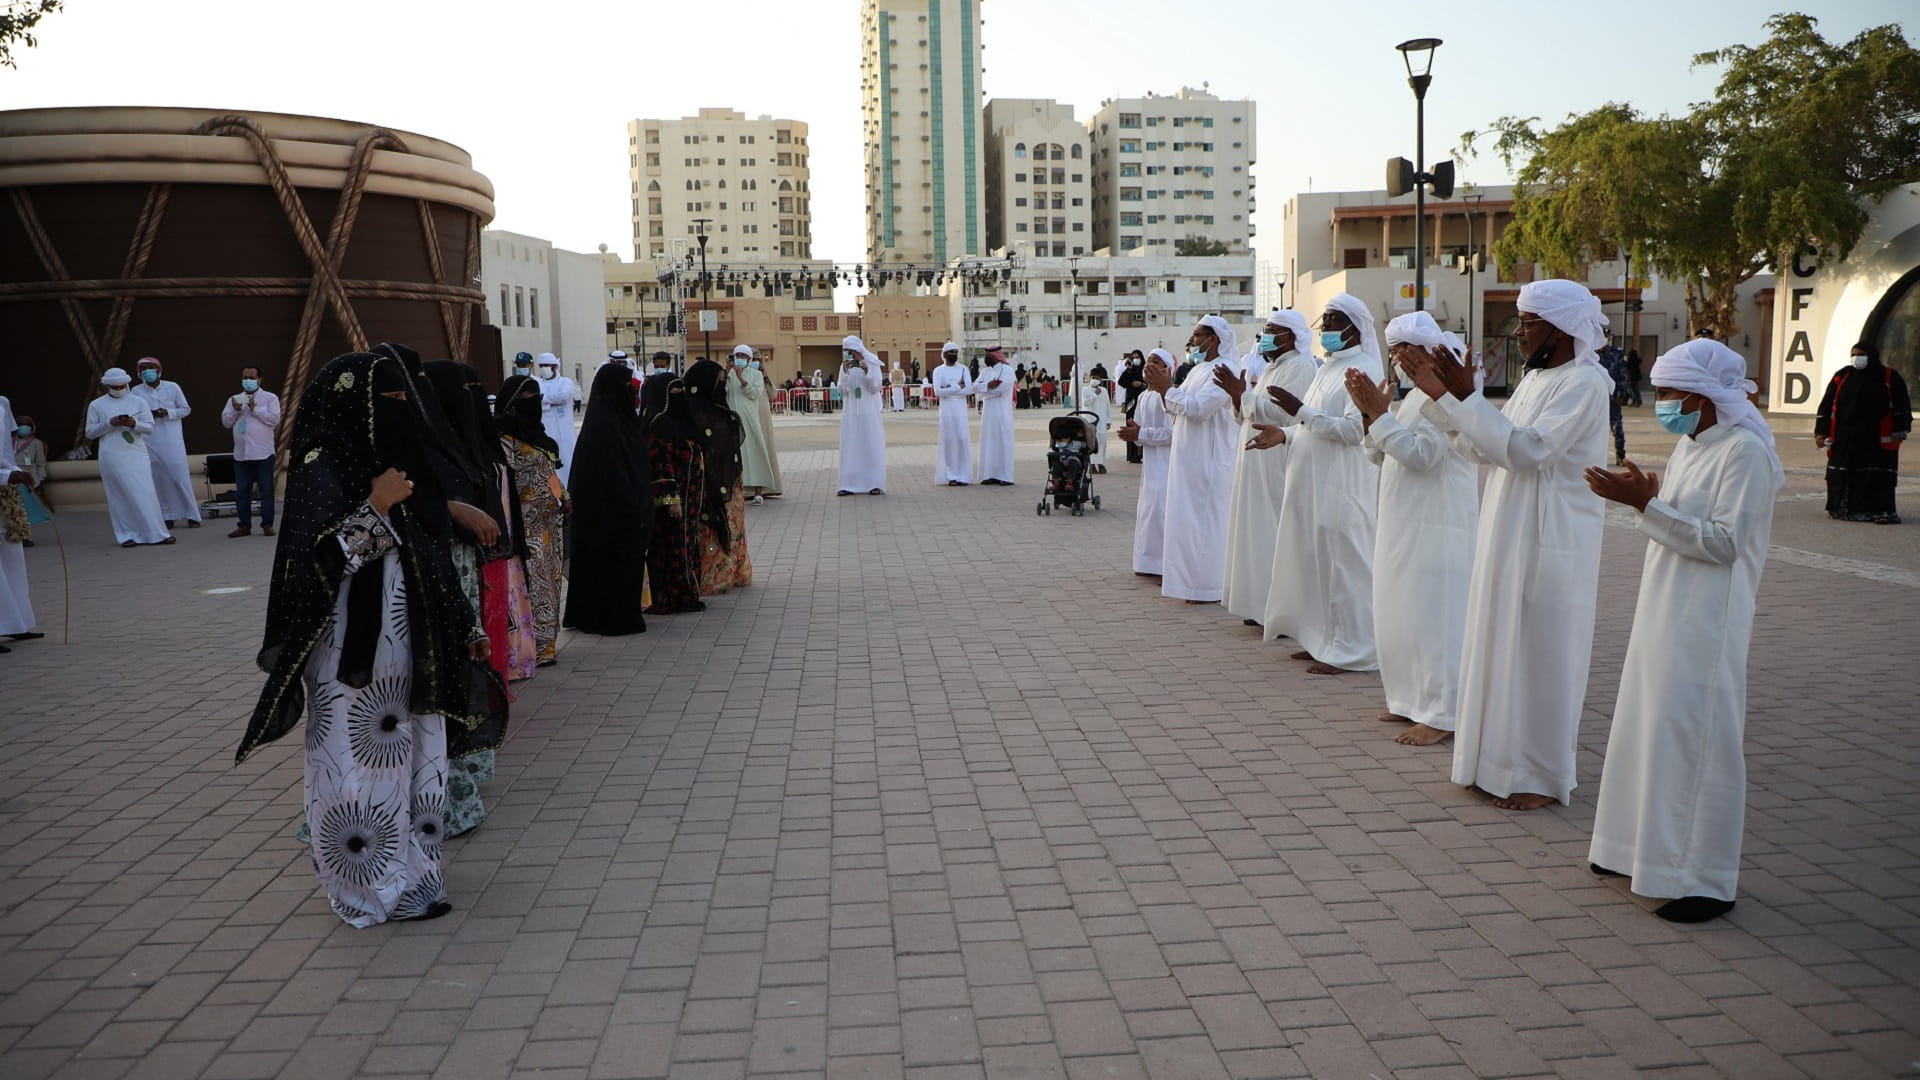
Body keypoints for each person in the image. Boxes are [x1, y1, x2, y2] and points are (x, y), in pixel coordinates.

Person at [237, 348, 505, 927]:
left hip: (412, 650)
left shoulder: (401, 468)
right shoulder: (322, 468)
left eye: (407, 399)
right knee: (357, 769)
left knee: (419, 763)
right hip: (348, 662)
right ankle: (365, 887)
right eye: (390, 401)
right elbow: (316, 569)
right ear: (352, 407)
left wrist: (466, 626)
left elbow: (430, 556)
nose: (403, 410)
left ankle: (416, 880)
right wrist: (376, 507)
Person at [1585, 338, 1783, 923]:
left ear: (1707, 396)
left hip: (1707, 617)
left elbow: (1725, 543)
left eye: (1672, 394)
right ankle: (1629, 848)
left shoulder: (1744, 452)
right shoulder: (1695, 444)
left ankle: (1700, 878)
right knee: (1648, 724)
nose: (1662, 403)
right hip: (1665, 606)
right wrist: (1645, 504)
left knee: (1694, 736)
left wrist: (1645, 507)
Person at [1399, 279, 1612, 811]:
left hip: (1550, 535)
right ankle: (1492, 762)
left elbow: (1527, 451)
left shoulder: (1585, 383)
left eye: (1529, 322)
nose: (1518, 333)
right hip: (1507, 525)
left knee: (1543, 652)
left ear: (1562, 328)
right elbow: (1484, 446)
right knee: (1500, 642)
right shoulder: (1536, 380)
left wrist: (1463, 398)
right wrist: (1449, 403)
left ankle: (1540, 774)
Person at [1349, 312, 1478, 743]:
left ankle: (1442, 713)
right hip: (1403, 522)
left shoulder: (1446, 398)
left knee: (1434, 615)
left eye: (1406, 349)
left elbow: (1423, 456)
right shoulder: (1410, 400)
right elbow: (1380, 453)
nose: (1399, 358)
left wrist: (1378, 417)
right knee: (1401, 610)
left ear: (1431, 353)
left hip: (1436, 525)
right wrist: (1373, 418)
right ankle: (1408, 700)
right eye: (1394, 350)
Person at [1259, 294, 1384, 674]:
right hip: (1310, 482)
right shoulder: (1327, 368)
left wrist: (1300, 412)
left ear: (1354, 328)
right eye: (1324, 322)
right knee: (1316, 563)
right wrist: (1285, 434)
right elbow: (1309, 425)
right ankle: (1322, 642)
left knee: (1345, 567)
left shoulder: (1363, 370)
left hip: (1341, 484)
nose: (1326, 329)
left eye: (1333, 321)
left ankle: (1353, 651)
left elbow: (1351, 430)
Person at [1220, 310, 1316, 626]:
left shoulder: (1300, 367)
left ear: (1290, 336)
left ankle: (1278, 609)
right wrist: (1239, 398)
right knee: (1255, 531)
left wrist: (1243, 395)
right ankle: (1259, 604)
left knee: (1272, 531)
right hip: (1254, 461)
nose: (1266, 334)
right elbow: (1246, 414)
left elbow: (1285, 416)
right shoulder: (1274, 368)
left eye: (1272, 329)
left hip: (1276, 459)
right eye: (1265, 328)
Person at [1150, 315, 1240, 604]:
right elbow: (1178, 406)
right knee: (1187, 523)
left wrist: (1167, 389)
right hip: (1188, 457)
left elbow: (1200, 409)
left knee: (1206, 523)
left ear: (1214, 339)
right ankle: (1191, 584)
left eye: (1198, 335)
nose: (1192, 341)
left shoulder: (1225, 370)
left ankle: (1208, 587)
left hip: (1208, 459)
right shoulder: (1199, 370)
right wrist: (1165, 390)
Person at [563, 364, 652, 635]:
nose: (632, 392)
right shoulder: (603, 430)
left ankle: (604, 613)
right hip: (610, 518)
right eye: (627, 386)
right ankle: (609, 617)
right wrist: (631, 510)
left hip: (621, 513)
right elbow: (609, 480)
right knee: (609, 567)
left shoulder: (620, 422)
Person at [494, 374, 567, 666]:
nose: (534, 402)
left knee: (550, 581)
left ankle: (548, 644)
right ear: (512, 403)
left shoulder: (537, 434)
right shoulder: (503, 437)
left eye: (537, 396)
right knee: (533, 583)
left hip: (550, 523)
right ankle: (531, 646)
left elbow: (549, 472)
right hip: (525, 524)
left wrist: (565, 495)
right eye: (527, 397)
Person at [1816, 341, 1910, 524]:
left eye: (1860, 355)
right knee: (1843, 472)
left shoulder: (1889, 376)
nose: (1856, 359)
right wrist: (1820, 432)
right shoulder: (1843, 376)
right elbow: (1827, 405)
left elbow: (1901, 404)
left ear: (1872, 356)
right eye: (1853, 355)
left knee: (1877, 475)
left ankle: (1882, 512)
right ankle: (1842, 509)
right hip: (1846, 436)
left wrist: (1901, 428)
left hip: (1877, 436)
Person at [640, 372, 707, 615]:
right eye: (674, 392)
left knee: (687, 544)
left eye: (682, 390)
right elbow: (661, 464)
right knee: (670, 547)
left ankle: (687, 591)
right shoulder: (658, 424)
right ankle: (670, 595)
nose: (680, 396)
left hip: (690, 499)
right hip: (672, 503)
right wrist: (671, 500)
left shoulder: (681, 421)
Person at [685, 358, 753, 593]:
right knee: (710, 528)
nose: (722, 387)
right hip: (703, 484)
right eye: (718, 382)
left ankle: (735, 572)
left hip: (729, 480)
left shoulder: (721, 412)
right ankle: (713, 577)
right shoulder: (689, 415)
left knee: (732, 526)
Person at [86, 368, 172, 547]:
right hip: (112, 456)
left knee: (146, 493)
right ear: (107, 386)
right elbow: (90, 433)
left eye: (121, 386)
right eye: (114, 386)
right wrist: (109, 424)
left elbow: (150, 427)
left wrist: (134, 424)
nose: (118, 389)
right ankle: (126, 535)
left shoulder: (138, 401)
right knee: (120, 496)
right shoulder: (96, 405)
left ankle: (158, 533)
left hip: (136, 454)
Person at [1116, 350, 1176, 577]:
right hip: (1150, 464)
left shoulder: (1171, 395)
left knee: (1162, 511)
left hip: (1167, 463)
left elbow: (1172, 433)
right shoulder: (1143, 396)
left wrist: (1142, 434)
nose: (1150, 364)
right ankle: (1147, 563)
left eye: (1156, 361)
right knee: (1148, 512)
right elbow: (1139, 429)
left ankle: (1165, 566)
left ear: (1166, 368)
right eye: (1149, 360)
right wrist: (1132, 433)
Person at [131, 357, 201, 529]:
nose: (148, 371)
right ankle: (167, 516)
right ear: (139, 373)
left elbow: (185, 409)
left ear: (159, 370)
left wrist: (167, 412)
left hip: (172, 440)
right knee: (159, 480)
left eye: (151, 368)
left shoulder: (172, 387)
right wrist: (148, 414)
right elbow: (133, 413)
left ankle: (192, 514)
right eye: (144, 368)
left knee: (179, 477)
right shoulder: (136, 391)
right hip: (149, 440)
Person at [221, 366, 282, 538]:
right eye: (244, 377)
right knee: (242, 492)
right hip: (242, 454)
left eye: (251, 377)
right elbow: (226, 422)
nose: (247, 381)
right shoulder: (234, 399)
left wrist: (255, 409)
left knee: (266, 491)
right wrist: (236, 409)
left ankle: (267, 525)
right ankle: (244, 526)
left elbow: (275, 419)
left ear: (260, 379)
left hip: (263, 453)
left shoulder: (270, 398)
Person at [0, 395, 40, 651]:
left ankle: (17, 623)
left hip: (3, 486)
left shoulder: (1, 403)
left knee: (12, 556)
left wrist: (11, 472)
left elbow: (4, 450)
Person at [836, 336, 887, 495]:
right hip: (851, 412)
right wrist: (844, 373)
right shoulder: (844, 367)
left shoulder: (873, 363)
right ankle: (849, 484)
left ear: (857, 350)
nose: (848, 355)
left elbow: (875, 387)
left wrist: (867, 371)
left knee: (870, 444)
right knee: (851, 445)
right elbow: (841, 390)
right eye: (845, 352)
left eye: (849, 351)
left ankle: (874, 483)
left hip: (869, 412)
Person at [729, 346, 777, 505]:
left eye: (743, 355)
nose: (740, 358)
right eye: (738, 355)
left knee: (756, 452)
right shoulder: (729, 374)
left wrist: (742, 379)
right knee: (738, 457)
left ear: (749, 359)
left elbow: (754, 394)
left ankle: (759, 491)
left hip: (750, 419)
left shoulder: (756, 375)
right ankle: (738, 492)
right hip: (734, 420)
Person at [932, 343, 975, 486]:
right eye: (951, 352)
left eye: (956, 352)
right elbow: (937, 392)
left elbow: (969, 389)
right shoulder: (938, 371)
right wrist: (956, 387)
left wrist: (949, 391)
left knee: (962, 439)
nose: (953, 354)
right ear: (944, 354)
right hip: (946, 412)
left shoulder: (963, 369)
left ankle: (963, 475)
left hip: (961, 411)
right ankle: (952, 476)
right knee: (949, 441)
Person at [536, 353, 581, 485]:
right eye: (542, 366)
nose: (544, 368)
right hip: (547, 434)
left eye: (547, 365)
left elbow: (563, 395)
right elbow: (537, 400)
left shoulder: (565, 382)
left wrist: (544, 399)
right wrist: (550, 400)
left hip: (565, 435)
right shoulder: (537, 383)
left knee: (568, 465)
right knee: (551, 470)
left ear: (555, 366)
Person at [975, 345, 1017, 485]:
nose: (987, 357)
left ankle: (1005, 476)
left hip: (1002, 413)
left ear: (996, 356)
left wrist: (985, 391)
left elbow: (1002, 389)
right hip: (987, 414)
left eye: (989, 355)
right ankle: (989, 474)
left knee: (1002, 442)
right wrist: (988, 386)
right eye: (986, 355)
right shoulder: (985, 371)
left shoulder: (1008, 370)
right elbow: (975, 387)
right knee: (988, 442)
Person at [748, 356, 783, 498]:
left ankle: (769, 487)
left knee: (767, 449)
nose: (757, 362)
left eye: (759, 359)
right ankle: (750, 489)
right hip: (750, 415)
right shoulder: (745, 376)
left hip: (764, 418)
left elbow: (773, 394)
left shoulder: (763, 377)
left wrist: (766, 377)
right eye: (754, 359)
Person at [10, 411, 51, 523]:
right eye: (21, 426)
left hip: (30, 475)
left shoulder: (37, 443)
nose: (24, 429)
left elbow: (41, 463)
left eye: (27, 427)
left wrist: (41, 477)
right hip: (13, 474)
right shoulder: (9, 442)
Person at [1599, 344, 1630, 465]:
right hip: (1597, 396)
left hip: (1613, 397)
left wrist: (1621, 394)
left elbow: (1622, 375)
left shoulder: (1617, 353)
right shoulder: (1590, 352)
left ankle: (1620, 456)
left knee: (1617, 428)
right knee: (1595, 428)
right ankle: (1596, 457)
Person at [1118, 353, 1148, 463]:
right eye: (1134, 358)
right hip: (1131, 402)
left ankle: (1143, 453)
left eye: (1138, 357)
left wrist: (1141, 384)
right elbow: (1121, 382)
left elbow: (1150, 383)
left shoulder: (1146, 369)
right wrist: (1129, 370)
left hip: (1144, 400)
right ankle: (1132, 455)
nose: (1136, 360)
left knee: (1143, 425)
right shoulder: (1129, 370)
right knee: (1131, 425)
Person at [1085, 366, 1113, 473]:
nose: (1095, 380)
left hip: (1102, 421)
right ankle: (1092, 465)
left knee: (1102, 441)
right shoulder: (1086, 390)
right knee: (1092, 442)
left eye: (1097, 378)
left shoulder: (1104, 391)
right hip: (1090, 420)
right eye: (1093, 377)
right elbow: (1086, 403)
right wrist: (1094, 395)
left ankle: (1100, 463)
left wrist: (1109, 420)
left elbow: (1107, 406)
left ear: (1100, 380)